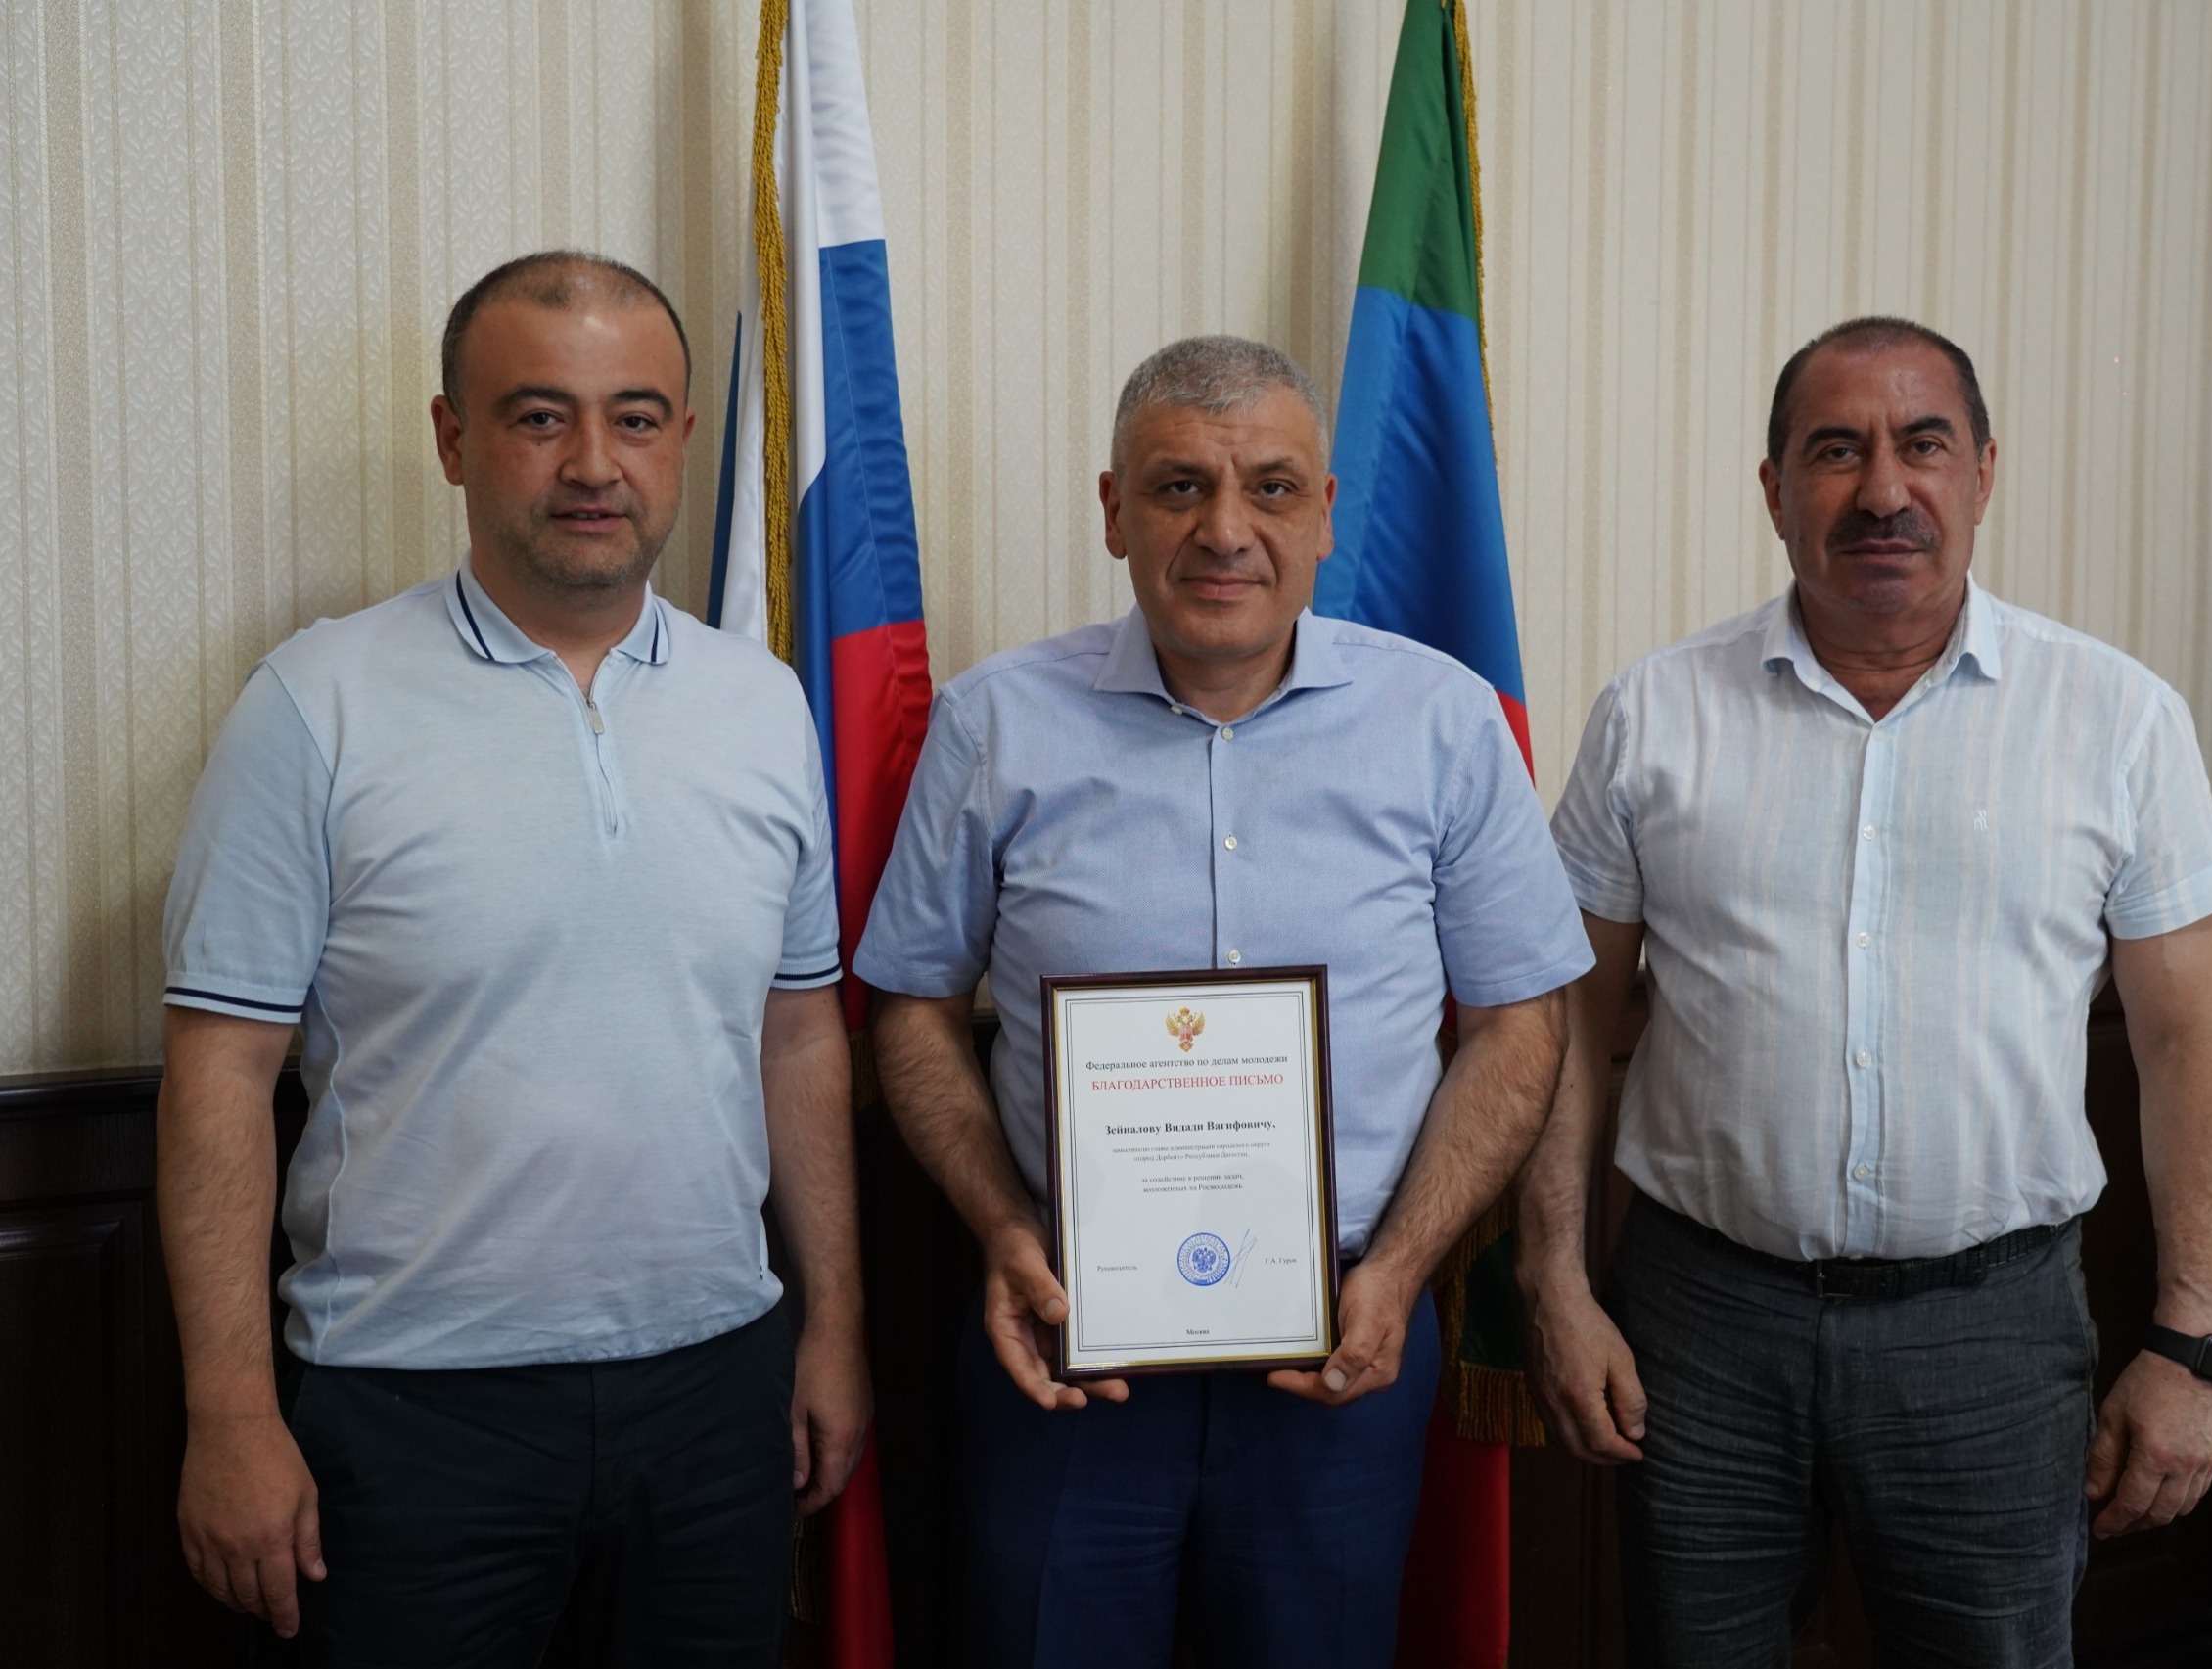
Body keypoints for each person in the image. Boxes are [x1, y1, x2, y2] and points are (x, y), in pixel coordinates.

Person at [156, 251, 870, 1667]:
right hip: (413, 1411)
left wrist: (835, 1326)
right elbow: (220, 1075)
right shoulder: (314, 704)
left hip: (717, 1395)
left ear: (682, 439)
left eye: (636, 417)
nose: (594, 462)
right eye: (541, 416)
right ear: (453, 438)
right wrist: (229, 1412)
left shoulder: (765, 705)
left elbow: (799, 1037)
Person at [1515, 315, 2212, 1666]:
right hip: (1700, 1326)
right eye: (1835, 451)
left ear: (1983, 472)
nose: (1883, 489)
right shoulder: (1652, 715)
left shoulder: (2119, 720)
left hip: (1991, 1337)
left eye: (1922, 445)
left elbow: (2192, 1042)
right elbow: (1571, 1023)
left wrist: (2193, 1341)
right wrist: (1554, 1280)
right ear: (1774, 488)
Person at [853, 336, 1591, 1668]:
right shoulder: (995, 724)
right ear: (1113, 510)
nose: (1226, 530)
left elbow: (1519, 1024)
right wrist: (1003, 1226)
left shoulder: (1443, 721)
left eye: (1271, 487)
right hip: (1066, 1345)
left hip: (1347, 1344)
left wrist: (1404, 1268)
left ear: (1325, 512)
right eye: (1179, 486)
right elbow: (911, 1010)